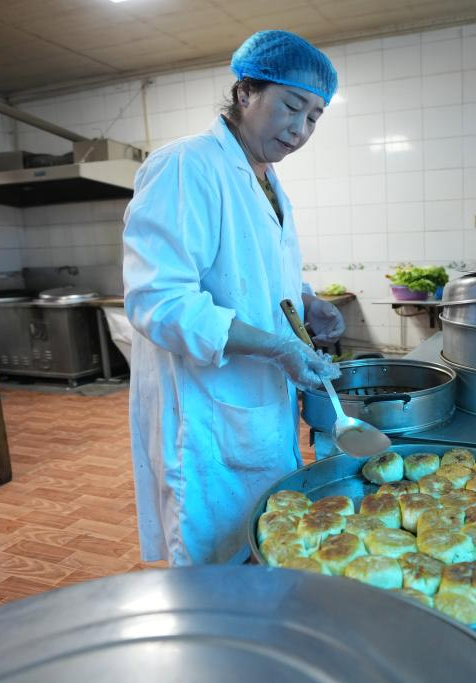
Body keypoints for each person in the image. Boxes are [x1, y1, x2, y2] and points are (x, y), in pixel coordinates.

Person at [123, 31, 345, 566]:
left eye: (314, 117)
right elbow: (160, 301)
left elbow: (254, 276)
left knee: (262, 545)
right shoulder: (187, 165)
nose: (299, 129)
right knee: (212, 565)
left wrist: (305, 301)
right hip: (207, 411)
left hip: (258, 405)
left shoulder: (266, 181)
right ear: (246, 92)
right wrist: (277, 346)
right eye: (291, 106)